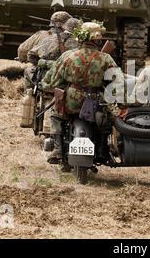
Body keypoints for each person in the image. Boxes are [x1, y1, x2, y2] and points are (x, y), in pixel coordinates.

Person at [40, 22, 120, 164]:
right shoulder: (106, 59)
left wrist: (47, 86)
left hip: (71, 99)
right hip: (95, 100)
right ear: (97, 39)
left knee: (56, 115)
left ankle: (58, 149)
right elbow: (117, 82)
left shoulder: (67, 56)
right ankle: (103, 150)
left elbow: (54, 80)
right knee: (106, 120)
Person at [20, 11, 72, 90]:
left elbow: (22, 50)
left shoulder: (41, 34)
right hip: (63, 77)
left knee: (28, 71)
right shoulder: (72, 38)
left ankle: (29, 97)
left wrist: (22, 58)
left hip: (42, 74)